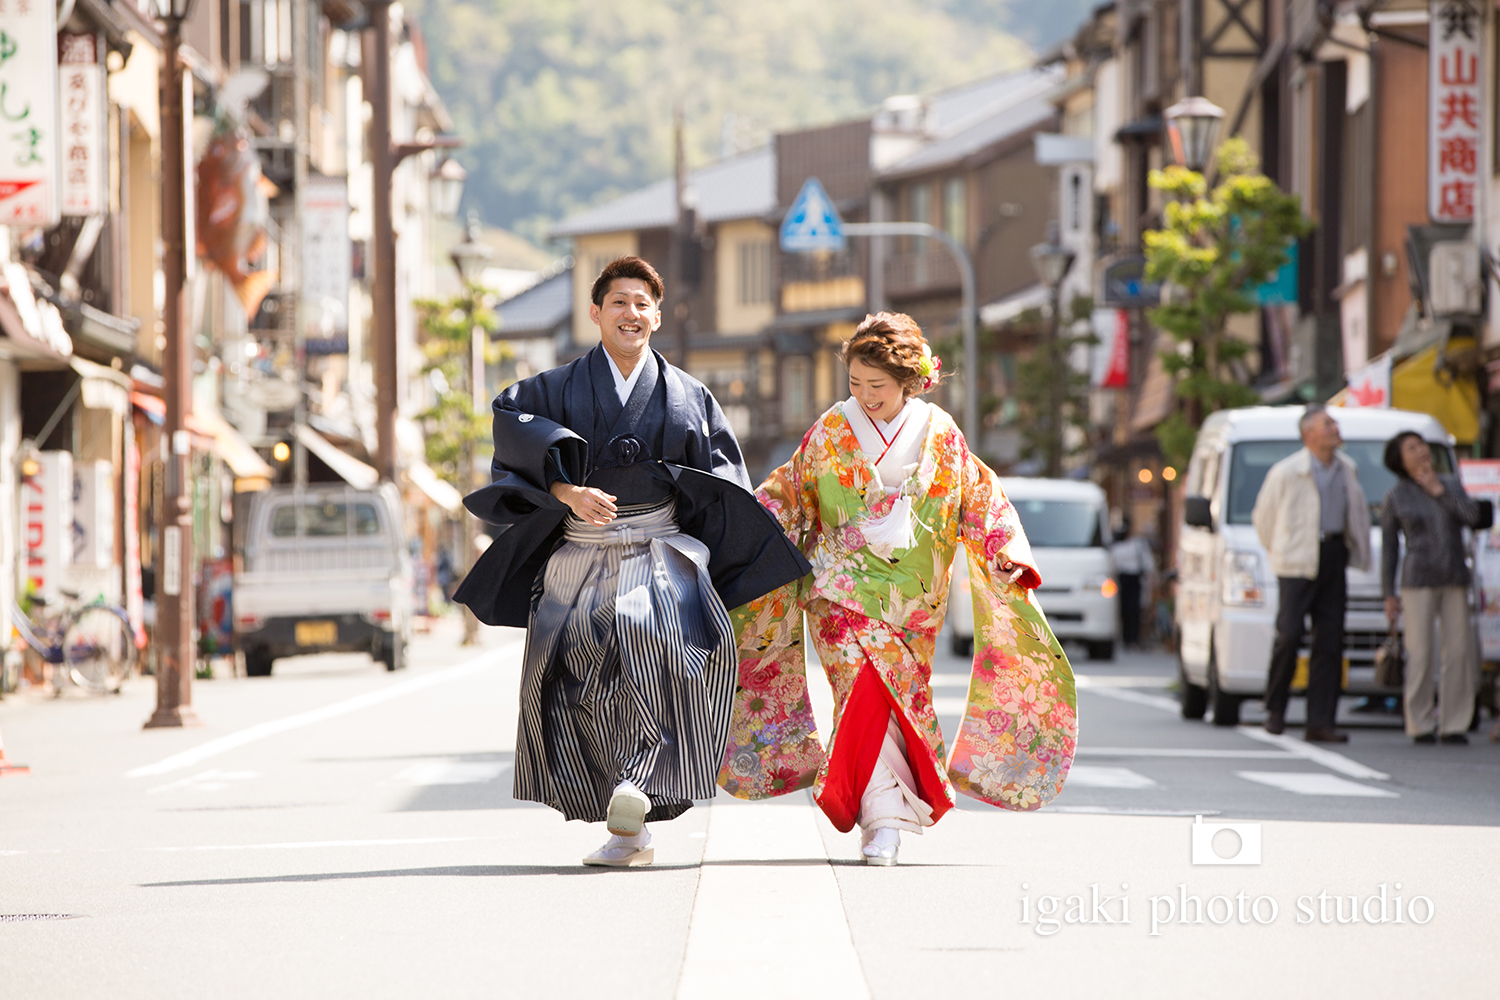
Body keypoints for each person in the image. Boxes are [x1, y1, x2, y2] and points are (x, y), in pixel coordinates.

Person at [454, 256, 809, 867]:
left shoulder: (688, 395)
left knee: (660, 648)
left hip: (658, 549)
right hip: (580, 550)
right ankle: (628, 826)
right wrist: (567, 491)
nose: (631, 313)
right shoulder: (553, 389)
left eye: (643, 303)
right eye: (618, 301)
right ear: (595, 313)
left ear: (658, 315)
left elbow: (723, 482)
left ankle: (638, 784)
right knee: (577, 671)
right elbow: (513, 426)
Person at [718, 312, 1077, 865]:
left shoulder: (940, 433)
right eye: (856, 384)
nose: (865, 396)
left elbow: (979, 497)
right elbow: (787, 494)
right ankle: (882, 820)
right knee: (863, 694)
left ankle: (875, 814)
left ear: (909, 381)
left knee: (894, 703)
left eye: (877, 386)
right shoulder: (832, 429)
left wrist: (1003, 553)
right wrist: (742, 530)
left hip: (914, 599)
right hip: (838, 590)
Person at [1252, 405, 1371, 742]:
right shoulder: (1287, 471)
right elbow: (1264, 519)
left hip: (1333, 553)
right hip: (1296, 560)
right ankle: (1276, 710)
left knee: (1330, 641)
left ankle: (1321, 720)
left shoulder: (1347, 469)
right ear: (1308, 435)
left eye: (1334, 422)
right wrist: (1281, 551)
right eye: (1327, 424)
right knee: (1289, 635)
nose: (1335, 428)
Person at [1380, 431, 1481, 745]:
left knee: (1459, 651)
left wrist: (1438, 491)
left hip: (1454, 575)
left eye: (1422, 445)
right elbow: (1389, 548)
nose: (1421, 451)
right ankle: (1419, 722)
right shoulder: (1396, 496)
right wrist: (1388, 592)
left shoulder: (1450, 483)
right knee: (1420, 652)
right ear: (1400, 460)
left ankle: (1454, 722)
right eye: (1412, 448)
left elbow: (1473, 517)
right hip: (1418, 577)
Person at [1110, 521, 1155, 648]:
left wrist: (1150, 578)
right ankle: (1127, 638)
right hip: (1123, 579)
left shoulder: (1137, 545)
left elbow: (1147, 563)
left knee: (1135, 609)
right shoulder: (1117, 547)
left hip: (1134, 579)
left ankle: (1134, 638)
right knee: (1124, 609)